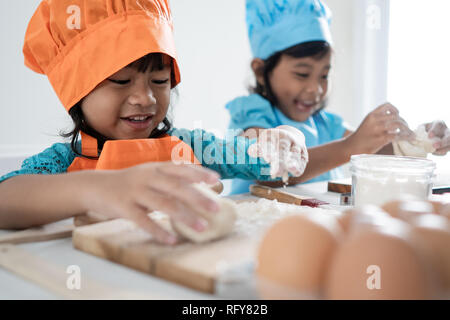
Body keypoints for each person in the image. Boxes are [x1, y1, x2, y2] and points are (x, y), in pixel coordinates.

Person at [0, 0, 308, 244]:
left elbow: (257, 157)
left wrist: (283, 138)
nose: (145, 98)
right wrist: (97, 189)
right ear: (76, 93)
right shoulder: (64, 163)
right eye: (121, 80)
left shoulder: (190, 148)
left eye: (159, 79)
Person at [226, 0, 450, 194]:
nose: (315, 89)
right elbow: (268, 170)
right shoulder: (251, 115)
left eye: (324, 75)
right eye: (302, 74)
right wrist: (350, 147)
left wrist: (422, 140)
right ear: (260, 71)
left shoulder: (327, 124)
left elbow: (381, 150)